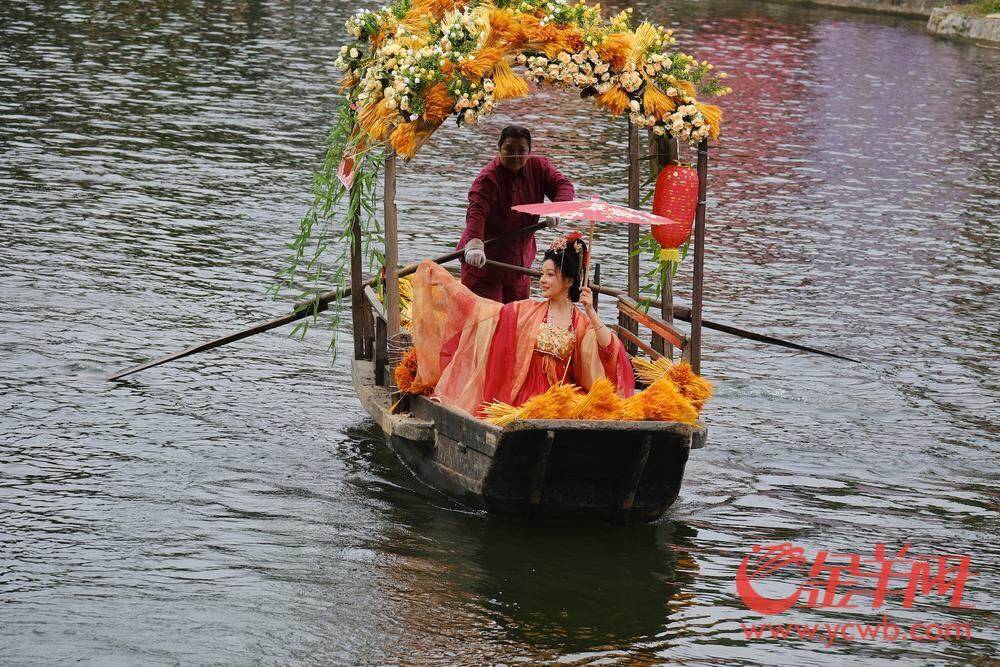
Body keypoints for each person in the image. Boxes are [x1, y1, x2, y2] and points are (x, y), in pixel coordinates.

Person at [410, 233, 635, 416]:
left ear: (568, 281)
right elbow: (486, 313)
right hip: (523, 396)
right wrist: (449, 288)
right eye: (542, 273)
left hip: (562, 400)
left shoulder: (581, 323)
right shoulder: (527, 310)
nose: (543, 280)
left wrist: (591, 312)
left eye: (550, 275)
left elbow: (609, 352)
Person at [458, 125, 575, 303]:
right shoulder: (488, 179)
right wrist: (474, 243)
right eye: (509, 150)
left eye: (521, 150)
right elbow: (476, 212)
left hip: (520, 265)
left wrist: (556, 208)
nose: (515, 156)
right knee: (487, 322)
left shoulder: (538, 167)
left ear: (529, 151)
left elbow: (563, 185)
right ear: (499, 148)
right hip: (485, 263)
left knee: (517, 321)